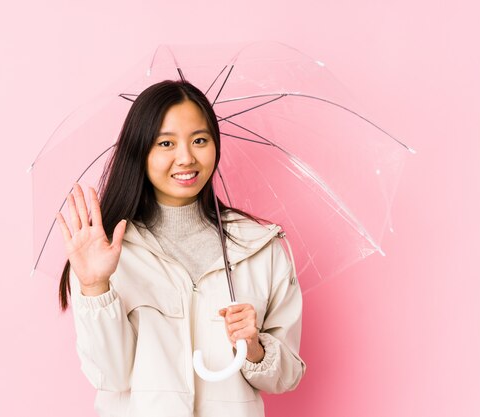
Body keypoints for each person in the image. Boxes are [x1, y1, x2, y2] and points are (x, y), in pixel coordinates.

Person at [55, 79, 306, 417]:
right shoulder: (106, 250)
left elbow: (286, 377)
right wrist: (95, 287)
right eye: (166, 143)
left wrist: (255, 347)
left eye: (199, 140)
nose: (186, 158)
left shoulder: (259, 246)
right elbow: (109, 376)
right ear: (140, 151)